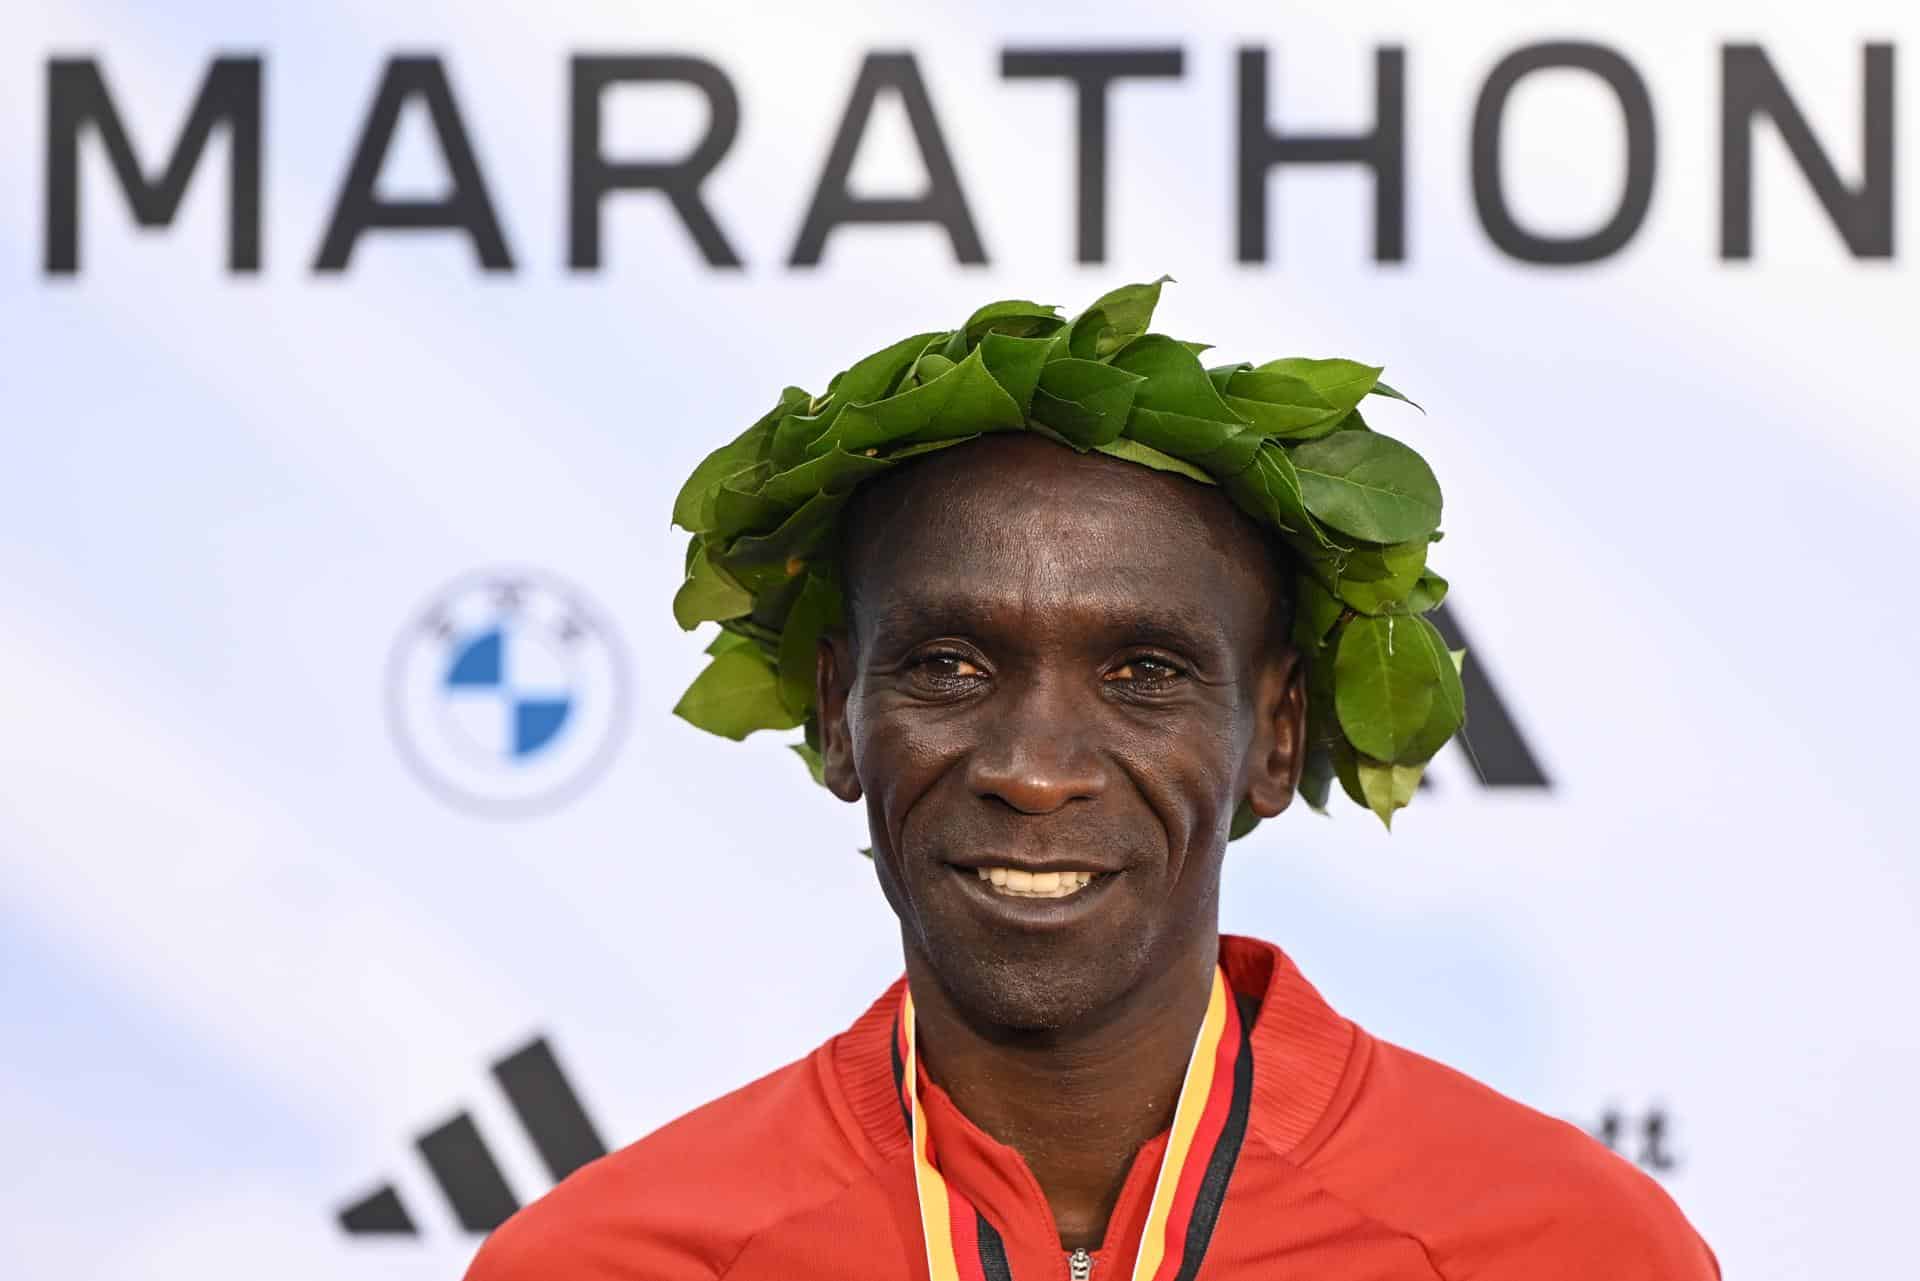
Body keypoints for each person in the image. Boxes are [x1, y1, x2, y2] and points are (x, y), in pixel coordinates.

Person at [465, 283, 1718, 1280]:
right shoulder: (607, 1261)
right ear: (840, 716)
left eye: (1144, 672)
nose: (1034, 771)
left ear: (1277, 734)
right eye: (949, 665)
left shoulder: (1567, 1248)